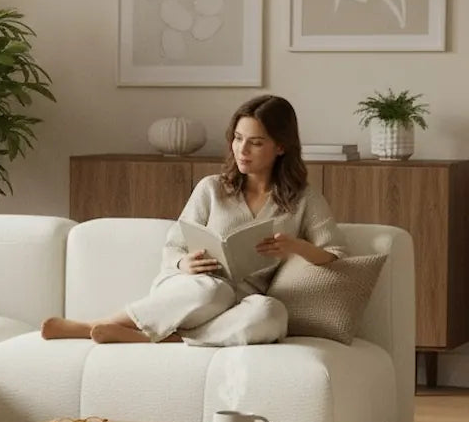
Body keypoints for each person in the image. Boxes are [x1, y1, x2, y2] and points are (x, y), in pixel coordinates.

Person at [42, 94, 345, 347]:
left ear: (280, 147)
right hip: (194, 289)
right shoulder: (211, 188)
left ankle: (169, 338)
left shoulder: (304, 199)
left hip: (242, 304)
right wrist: (183, 264)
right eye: (238, 138)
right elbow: (174, 245)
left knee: (272, 314)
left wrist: (296, 248)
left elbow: (337, 256)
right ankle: (94, 325)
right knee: (213, 291)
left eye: (255, 142)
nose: (242, 150)